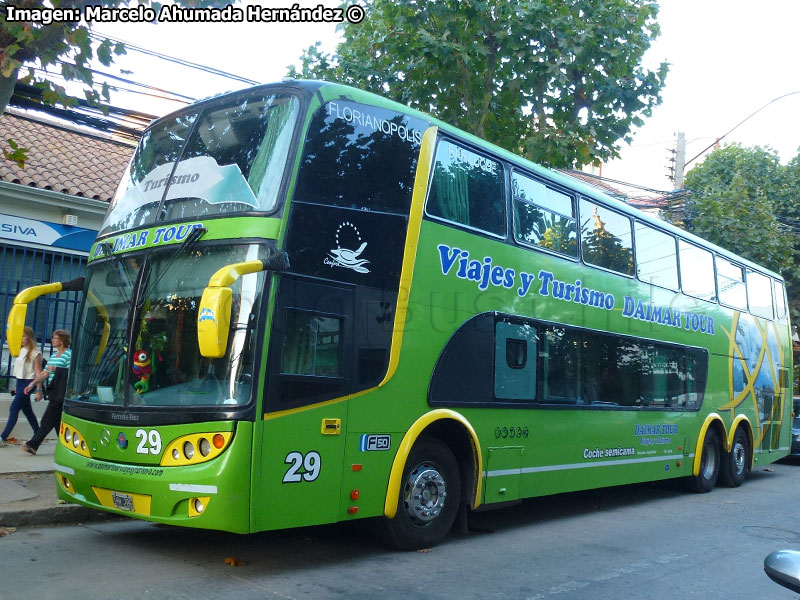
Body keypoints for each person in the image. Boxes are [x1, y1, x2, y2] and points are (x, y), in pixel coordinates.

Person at [21, 329, 71, 456]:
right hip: (54, 391)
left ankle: (32, 445)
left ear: (63, 340)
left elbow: (71, 374)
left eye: (55, 338)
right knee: (57, 423)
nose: (52, 340)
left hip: (62, 393)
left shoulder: (69, 355)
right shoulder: (54, 356)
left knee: (46, 420)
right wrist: (32, 384)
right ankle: (67, 448)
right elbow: (44, 373)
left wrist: (57, 369)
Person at [0, 326, 42, 446]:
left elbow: (38, 373)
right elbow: (20, 371)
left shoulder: (36, 353)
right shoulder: (20, 350)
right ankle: (38, 433)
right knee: (27, 410)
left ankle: (3, 437)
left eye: (23, 336)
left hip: (30, 383)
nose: (21, 338)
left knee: (14, 408)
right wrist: (17, 388)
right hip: (20, 383)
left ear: (29, 337)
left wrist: (38, 389)